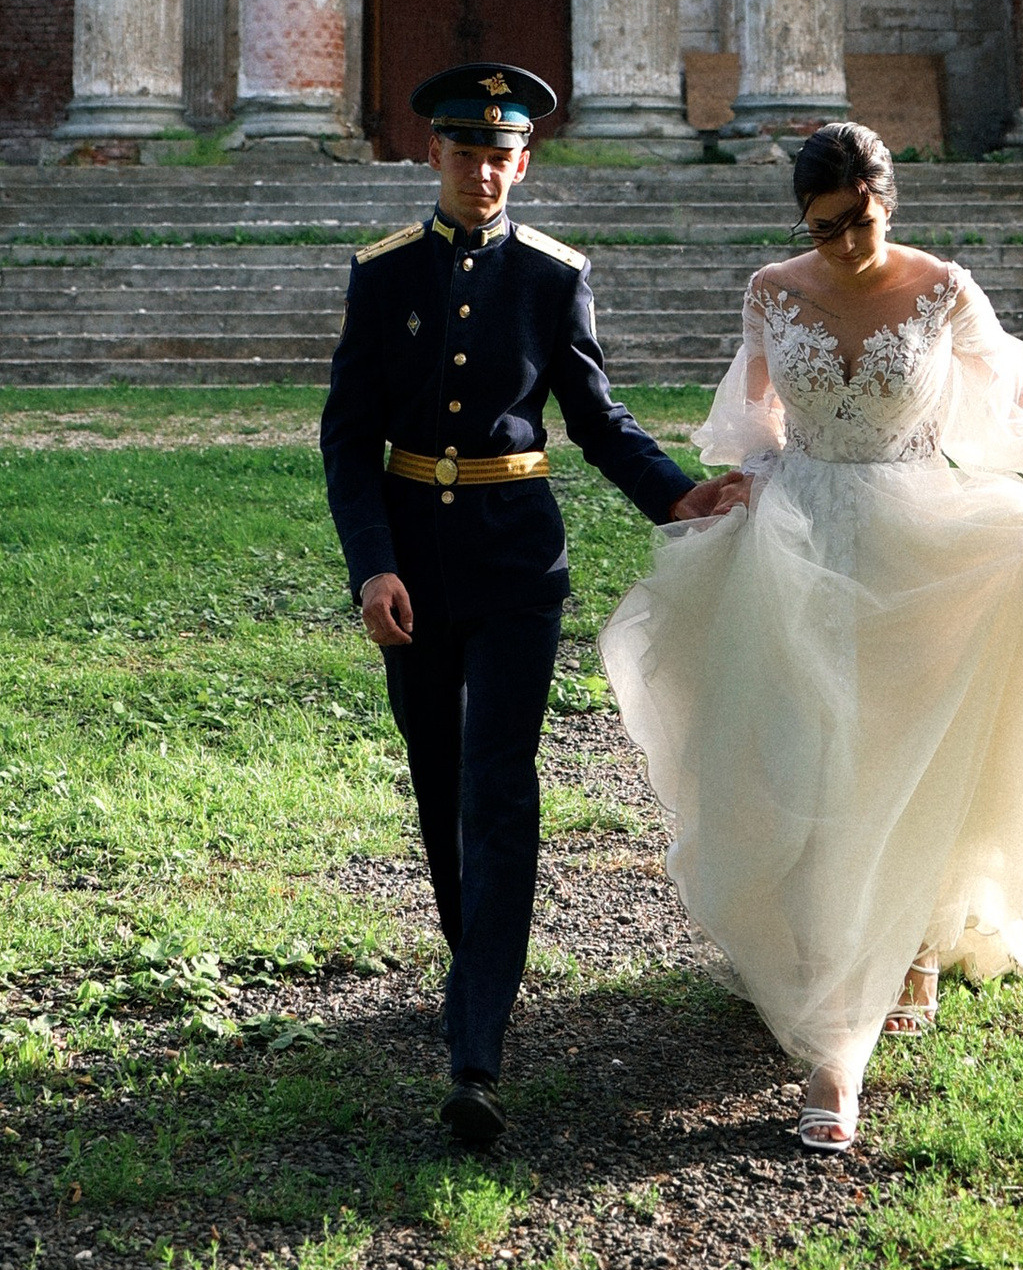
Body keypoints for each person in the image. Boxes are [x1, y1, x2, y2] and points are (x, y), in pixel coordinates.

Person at [601, 118, 1023, 1153]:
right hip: (795, 540)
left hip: (918, 539)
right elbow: (751, 416)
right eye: (825, 225)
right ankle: (837, 1023)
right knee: (813, 763)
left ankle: (908, 951)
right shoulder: (771, 290)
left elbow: (1018, 406)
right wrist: (747, 476)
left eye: (862, 218)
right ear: (803, 218)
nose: (845, 243)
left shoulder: (942, 289)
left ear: (889, 198)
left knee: (902, 751)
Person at [319, 61, 748, 1153]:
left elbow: (595, 419)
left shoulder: (554, 279)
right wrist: (371, 566)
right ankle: (477, 972)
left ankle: (478, 1047)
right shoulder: (384, 277)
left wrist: (674, 495)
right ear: (436, 156)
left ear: (524, 162)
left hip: (517, 566)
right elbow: (346, 438)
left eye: (501, 154)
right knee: (437, 779)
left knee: (499, 789)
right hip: (413, 561)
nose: (483, 171)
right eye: (465, 152)